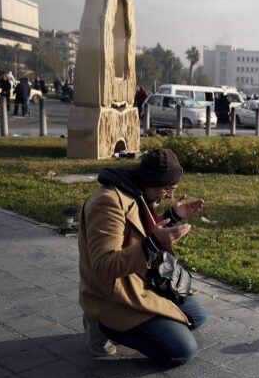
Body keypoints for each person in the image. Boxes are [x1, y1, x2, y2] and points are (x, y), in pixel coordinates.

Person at [78, 148, 207, 365]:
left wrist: (172, 216)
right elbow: (103, 266)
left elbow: (139, 230)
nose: (170, 195)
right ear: (152, 182)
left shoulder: (136, 192)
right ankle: (101, 324)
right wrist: (154, 243)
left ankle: (143, 325)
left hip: (142, 280)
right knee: (182, 350)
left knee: (197, 316)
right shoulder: (107, 203)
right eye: (168, 188)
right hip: (114, 294)